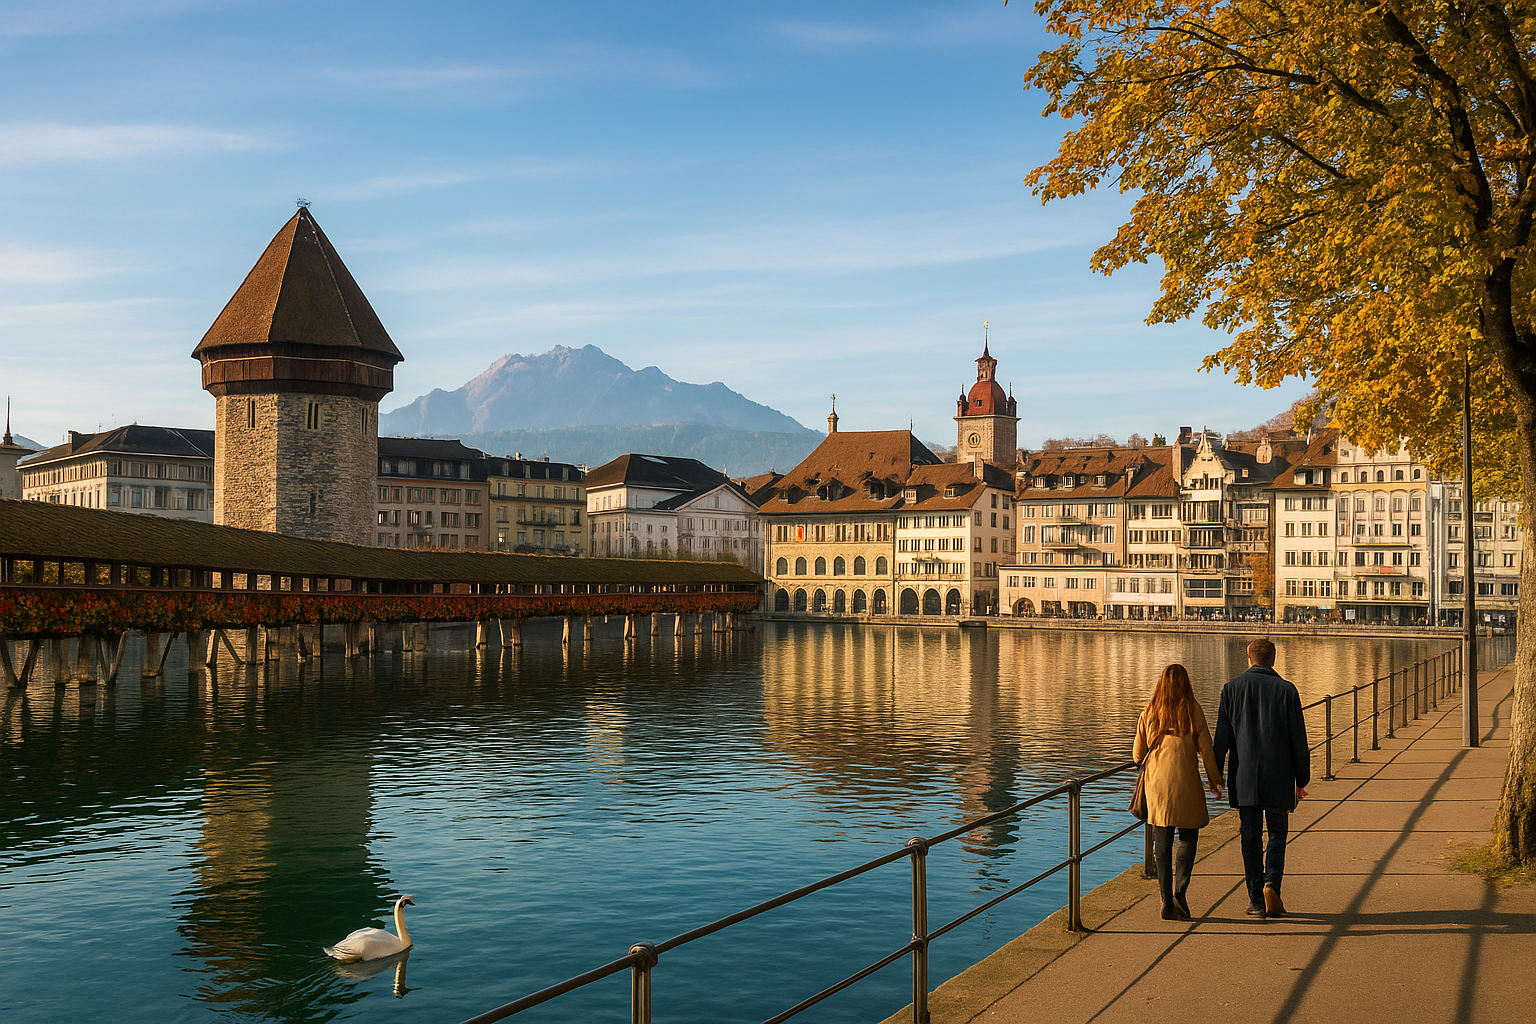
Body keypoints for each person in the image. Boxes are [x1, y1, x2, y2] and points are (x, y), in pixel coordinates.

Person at [1213, 638, 1311, 919]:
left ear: (1248, 657)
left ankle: (1255, 899)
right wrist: (1301, 779)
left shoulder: (1231, 689)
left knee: (1250, 838)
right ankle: (1272, 884)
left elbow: (1222, 738)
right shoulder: (1287, 690)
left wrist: (1216, 775)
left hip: (1245, 777)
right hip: (1280, 776)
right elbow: (1298, 740)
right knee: (1278, 834)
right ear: (1274, 659)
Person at [1133, 663, 1224, 921]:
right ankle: (1180, 893)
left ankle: (1164, 899)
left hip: (1158, 787)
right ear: (1187, 684)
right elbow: (1207, 750)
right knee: (1188, 838)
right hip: (1187, 784)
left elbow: (1137, 755)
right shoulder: (1193, 710)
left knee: (1161, 844)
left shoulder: (1149, 712)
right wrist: (1215, 781)